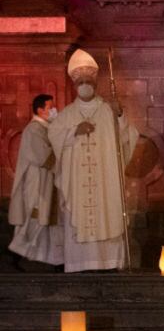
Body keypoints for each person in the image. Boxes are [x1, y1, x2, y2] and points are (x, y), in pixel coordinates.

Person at [48, 48, 138, 273]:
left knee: (107, 214)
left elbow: (129, 137)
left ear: (96, 82)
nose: (85, 84)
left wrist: (120, 116)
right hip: (77, 186)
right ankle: (80, 263)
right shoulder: (65, 116)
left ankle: (109, 262)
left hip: (105, 186)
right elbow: (53, 139)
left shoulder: (109, 111)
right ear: (74, 85)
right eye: (81, 81)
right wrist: (74, 132)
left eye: (89, 79)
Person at [7, 94, 64, 269]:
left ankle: (58, 262)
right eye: (50, 107)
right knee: (35, 221)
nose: (54, 111)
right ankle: (14, 256)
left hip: (48, 183)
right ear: (40, 110)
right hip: (38, 185)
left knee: (50, 222)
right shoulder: (33, 130)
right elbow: (44, 156)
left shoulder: (46, 128)